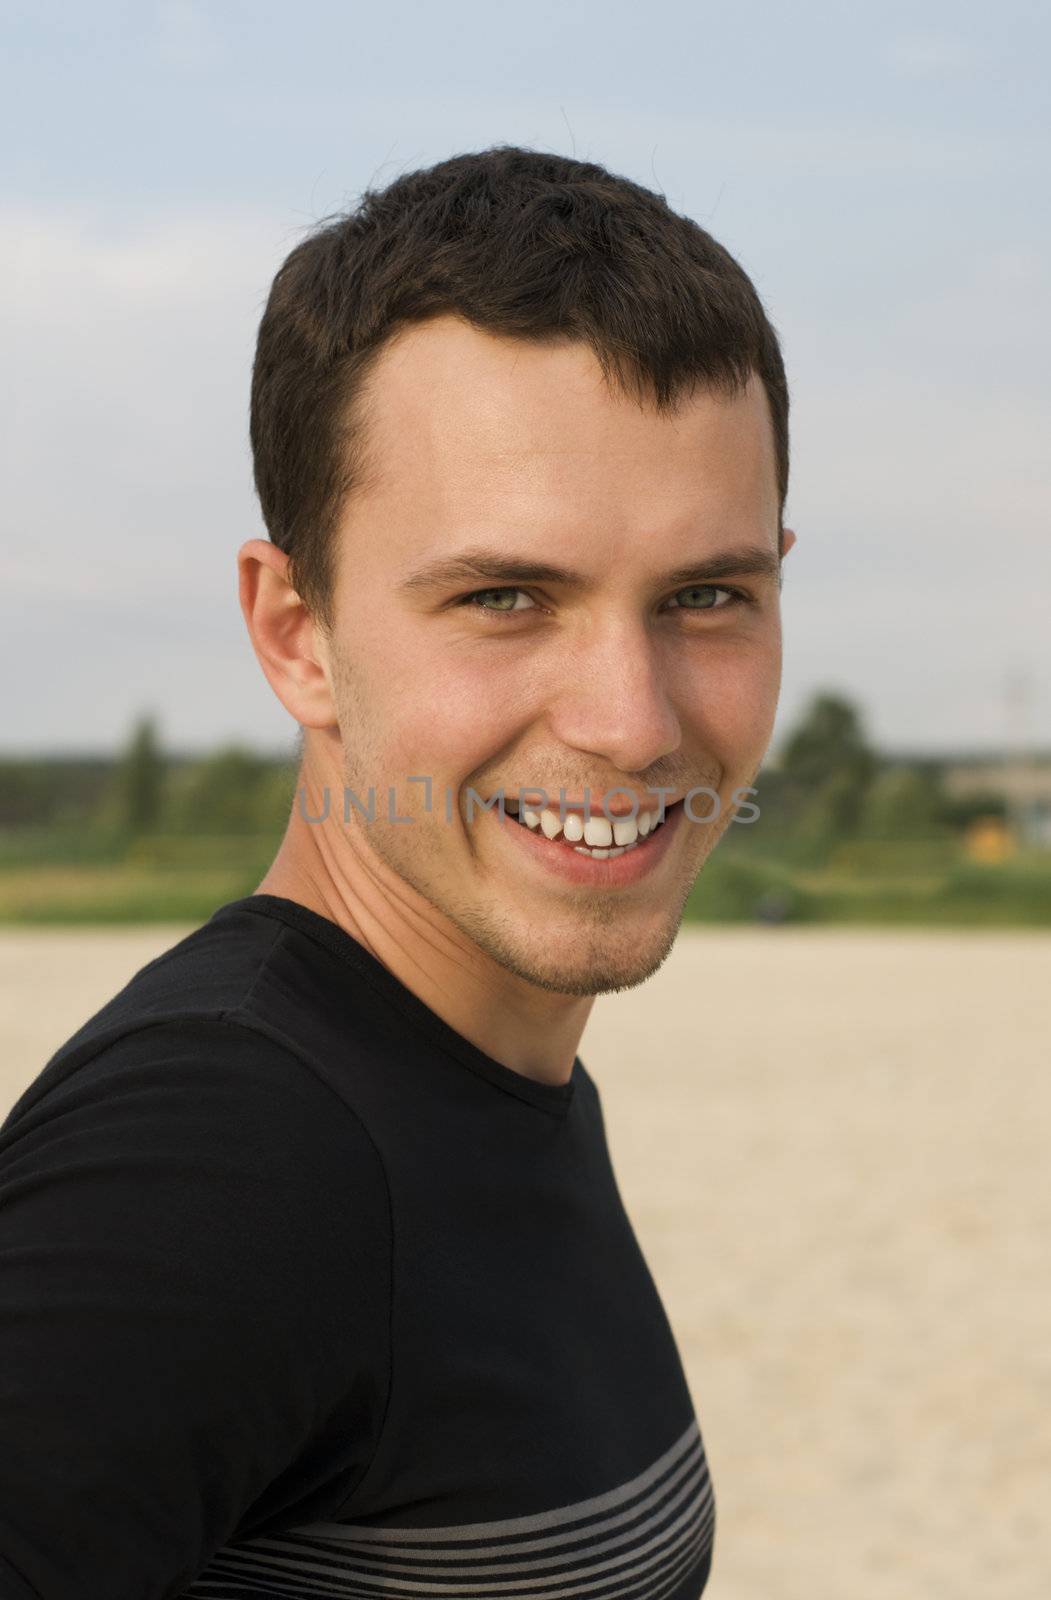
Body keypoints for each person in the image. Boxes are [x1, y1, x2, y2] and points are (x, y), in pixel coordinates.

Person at [0, 145, 796, 1599]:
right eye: (505, 598)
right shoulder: (217, 1159)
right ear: (296, 628)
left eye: (707, 596)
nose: (631, 721)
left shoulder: (481, 1068)